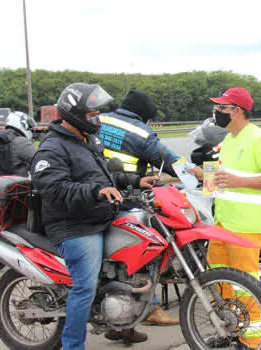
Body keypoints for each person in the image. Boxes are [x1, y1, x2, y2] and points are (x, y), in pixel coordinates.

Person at [31, 83, 157, 350]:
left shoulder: (87, 141)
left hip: (99, 216)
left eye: (97, 113)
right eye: (91, 115)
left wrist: (135, 181)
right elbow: (53, 189)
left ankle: (122, 327)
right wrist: (96, 191)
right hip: (75, 226)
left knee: (135, 265)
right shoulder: (52, 149)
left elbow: (106, 178)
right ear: (74, 115)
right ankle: (72, 346)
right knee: (85, 287)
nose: (96, 119)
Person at [88, 89, 200, 329]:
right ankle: (151, 307)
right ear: (143, 116)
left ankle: (122, 326)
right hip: (124, 197)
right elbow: (169, 162)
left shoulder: (101, 120)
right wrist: (198, 176)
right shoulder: (141, 133)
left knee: (115, 261)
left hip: (94, 194)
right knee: (147, 251)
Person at [191, 87, 261, 349]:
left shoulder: (258, 139)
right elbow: (219, 183)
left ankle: (253, 341)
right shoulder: (229, 139)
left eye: (222, 107)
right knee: (219, 280)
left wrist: (238, 181)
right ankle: (229, 331)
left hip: (247, 224)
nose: (217, 112)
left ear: (237, 111)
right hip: (223, 221)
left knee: (246, 285)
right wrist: (203, 175)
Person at [90, 89, 179, 177]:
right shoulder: (143, 134)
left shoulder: (98, 119)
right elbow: (169, 161)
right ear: (143, 115)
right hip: (131, 185)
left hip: (96, 181)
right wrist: (188, 169)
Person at [4, 111, 37, 177]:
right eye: (29, 126)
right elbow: (40, 158)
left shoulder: (3, 138)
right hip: (17, 183)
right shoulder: (20, 141)